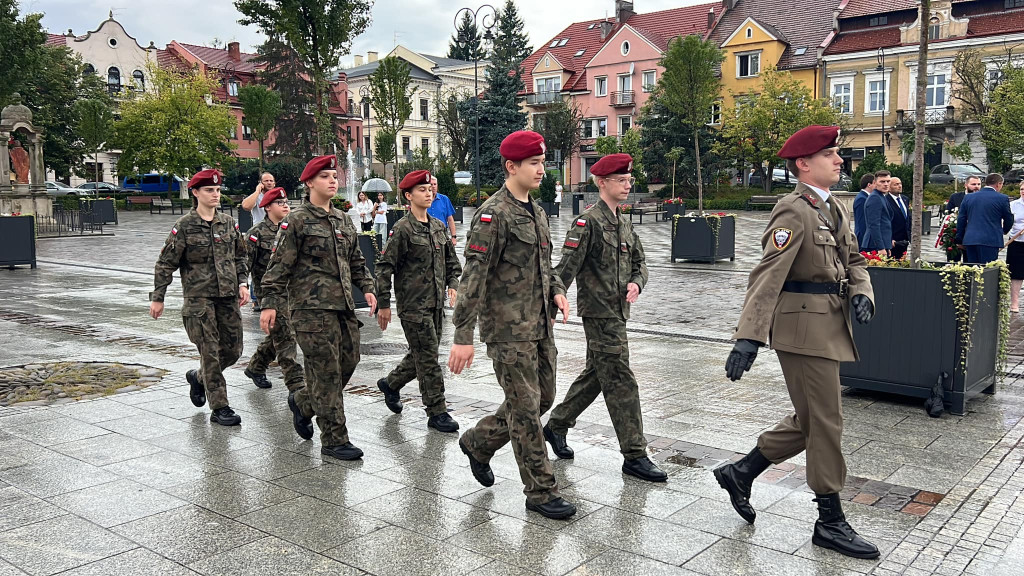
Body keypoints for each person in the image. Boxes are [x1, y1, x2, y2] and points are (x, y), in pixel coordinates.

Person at [719, 125, 879, 560]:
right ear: (804, 164)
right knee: (826, 421)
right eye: (831, 154)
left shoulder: (834, 207)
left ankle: (742, 471)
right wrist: (748, 338)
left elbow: (854, 259)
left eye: (838, 154)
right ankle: (830, 521)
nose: (840, 160)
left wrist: (862, 291)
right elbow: (767, 276)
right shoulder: (795, 211)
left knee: (812, 419)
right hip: (803, 330)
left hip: (829, 325)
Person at [448, 130, 574, 520]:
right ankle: (540, 491)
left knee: (542, 400)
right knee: (525, 410)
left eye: (542, 162)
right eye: (533, 163)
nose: (541, 169)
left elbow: (543, 263)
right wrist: (462, 336)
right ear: (511, 166)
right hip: (507, 329)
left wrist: (555, 289)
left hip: (540, 325)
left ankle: (478, 442)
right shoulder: (493, 214)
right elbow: (473, 278)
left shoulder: (535, 210)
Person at [543, 153, 666, 483]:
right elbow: (564, 269)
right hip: (599, 314)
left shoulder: (623, 222)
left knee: (597, 374)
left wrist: (637, 284)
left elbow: (641, 263)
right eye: (621, 180)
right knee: (621, 380)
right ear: (602, 183)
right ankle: (635, 455)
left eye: (629, 180)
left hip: (619, 312)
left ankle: (556, 425)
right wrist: (553, 305)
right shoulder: (588, 222)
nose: (628, 185)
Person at [259, 155, 378, 460]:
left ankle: (303, 402)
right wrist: (270, 304)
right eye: (325, 176)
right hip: (310, 310)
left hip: (343, 308)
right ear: (310, 182)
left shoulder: (342, 218)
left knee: (348, 362)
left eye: (334, 176)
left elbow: (355, 260)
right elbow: (278, 266)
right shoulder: (296, 220)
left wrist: (367, 287)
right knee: (326, 372)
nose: (332, 180)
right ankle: (335, 438)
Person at [149, 169, 249, 427]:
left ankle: (198, 377)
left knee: (234, 350)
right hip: (199, 300)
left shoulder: (228, 223)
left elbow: (240, 255)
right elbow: (165, 263)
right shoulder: (184, 226)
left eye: (217, 190)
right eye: (209, 190)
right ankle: (220, 406)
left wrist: (242, 282)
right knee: (211, 352)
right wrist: (158, 297)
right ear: (195, 193)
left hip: (227, 297)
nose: (215, 194)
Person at [376, 170, 463, 432]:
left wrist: (453, 284)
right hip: (413, 306)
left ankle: (391, 384)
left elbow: (452, 263)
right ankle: (437, 411)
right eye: (422, 190)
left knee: (422, 354)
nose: (428, 193)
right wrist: (383, 304)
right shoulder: (402, 229)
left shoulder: (437, 226)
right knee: (429, 359)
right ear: (408, 196)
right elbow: (384, 267)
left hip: (436, 304)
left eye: (430, 189)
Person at [243, 187, 305, 392]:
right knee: (286, 335)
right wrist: (241, 285)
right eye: (280, 203)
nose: (286, 206)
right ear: (267, 207)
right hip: (270, 293)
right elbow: (244, 263)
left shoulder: (292, 229)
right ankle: (296, 384)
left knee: (282, 332)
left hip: (292, 291)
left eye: (287, 202)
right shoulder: (256, 233)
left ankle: (256, 366)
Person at [956, 173, 1013, 264]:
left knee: (972, 270)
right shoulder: (1002, 198)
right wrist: (1003, 231)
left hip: (971, 239)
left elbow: (961, 219)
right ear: (998, 184)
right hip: (990, 240)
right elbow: (1009, 218)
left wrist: (959, 238)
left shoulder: (968, 197)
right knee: (987, 271)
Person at [862, 170, 893, 256]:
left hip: (881, 244)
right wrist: (881, 247)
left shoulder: (881, 196)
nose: (886, 184)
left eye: (888, 181)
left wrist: (887, 246)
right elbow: (874, 225)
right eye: (882, 181)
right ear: (875, 183)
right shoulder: (875, 198)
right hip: (874, 245)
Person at [1006, 185, 1024, 312]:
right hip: (1016, 241)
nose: (1023, 192)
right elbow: (1006, 222)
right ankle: (1014, 303)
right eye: (1022, 189)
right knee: (1015, 274)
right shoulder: (1013, 205)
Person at [427, 175, 458, 245]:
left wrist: (453, 237)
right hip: (427, 235)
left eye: (435, 184)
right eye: (431, 184)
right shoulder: (423, 200)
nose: (433, 186)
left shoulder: (444, 199)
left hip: (442, 235)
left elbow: (450, 219)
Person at [887, 177, 911, 260]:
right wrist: (889, 239)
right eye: (896, 184)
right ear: (889, 187)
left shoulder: (905, 199)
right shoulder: (886, 200)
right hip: (893, 240)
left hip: (904, 240)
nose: (899, 186)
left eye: (900, 183)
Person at [853, 173, 874, 249]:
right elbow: (862, 222)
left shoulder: (866, 197)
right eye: (875, 183)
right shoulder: (862, 199)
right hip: (863, 239)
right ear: (869, 185)